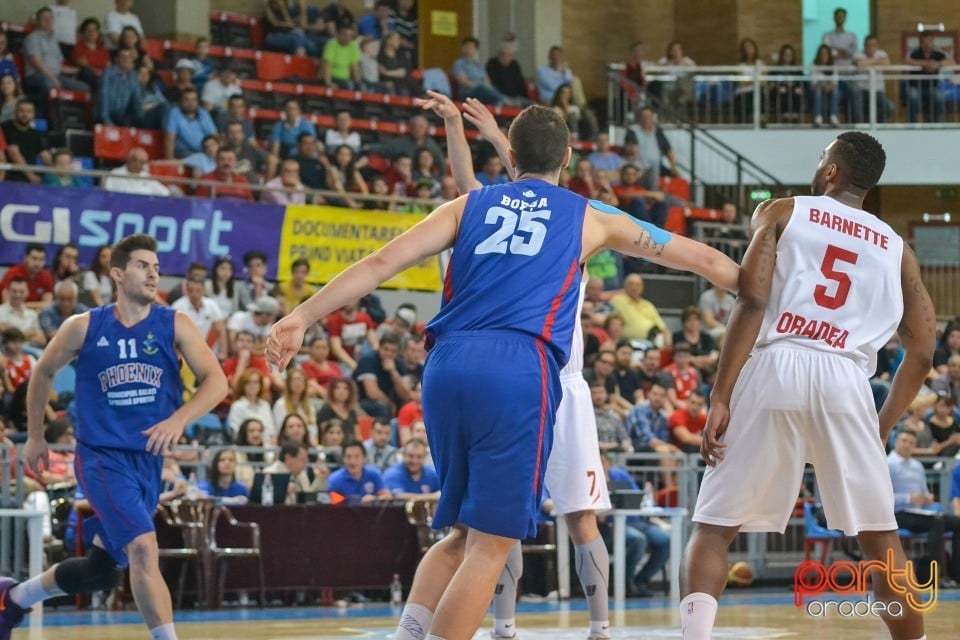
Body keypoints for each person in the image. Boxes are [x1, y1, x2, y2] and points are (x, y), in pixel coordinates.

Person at [267, 99, 738, 639]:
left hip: (445, 364)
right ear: (567, 157)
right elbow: (699, 258)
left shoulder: (466, 206)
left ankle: (408, 633)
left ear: (510, 155)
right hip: (518, 367)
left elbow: (378, 265)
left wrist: (301, 316)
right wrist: (759, 287)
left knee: (463, 534)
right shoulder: (590, 216)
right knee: (493, 544)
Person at [681, 132, 936, 640]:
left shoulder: (782, 211)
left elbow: (751, 301)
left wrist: (720, 396)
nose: (819, 164)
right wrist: (879, 424)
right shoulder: (897, 248)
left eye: (823, 157)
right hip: (847, 379)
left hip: (777, 364)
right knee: (881, 540)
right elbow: (924, 352)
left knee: (713, 529)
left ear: (832, 171)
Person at [0, 234, 228, 640]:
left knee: (101, 571)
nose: (154, 273)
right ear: (118, 274)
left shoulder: (173, 323)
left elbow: (217, 382)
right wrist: (35, 435)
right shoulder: (83, 326)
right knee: (144, 548)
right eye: (144, 265)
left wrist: (179, 419)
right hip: (102, 459)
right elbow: (44, 372)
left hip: (148, 464)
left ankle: (13, 598)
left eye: (157, 267)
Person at [888, 429, 960, 584]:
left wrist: (928, 499)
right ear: (896, 442)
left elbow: (925, 492)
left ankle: (956, 573)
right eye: (904, 441)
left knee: (957, 522)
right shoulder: (888, 464)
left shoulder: (917, 466)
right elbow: (883, 498)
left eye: (911, 442)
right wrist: (909, 498)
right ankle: (935, 577)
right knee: (937, 523)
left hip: (919, 512)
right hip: (898, 513)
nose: (907, 445)